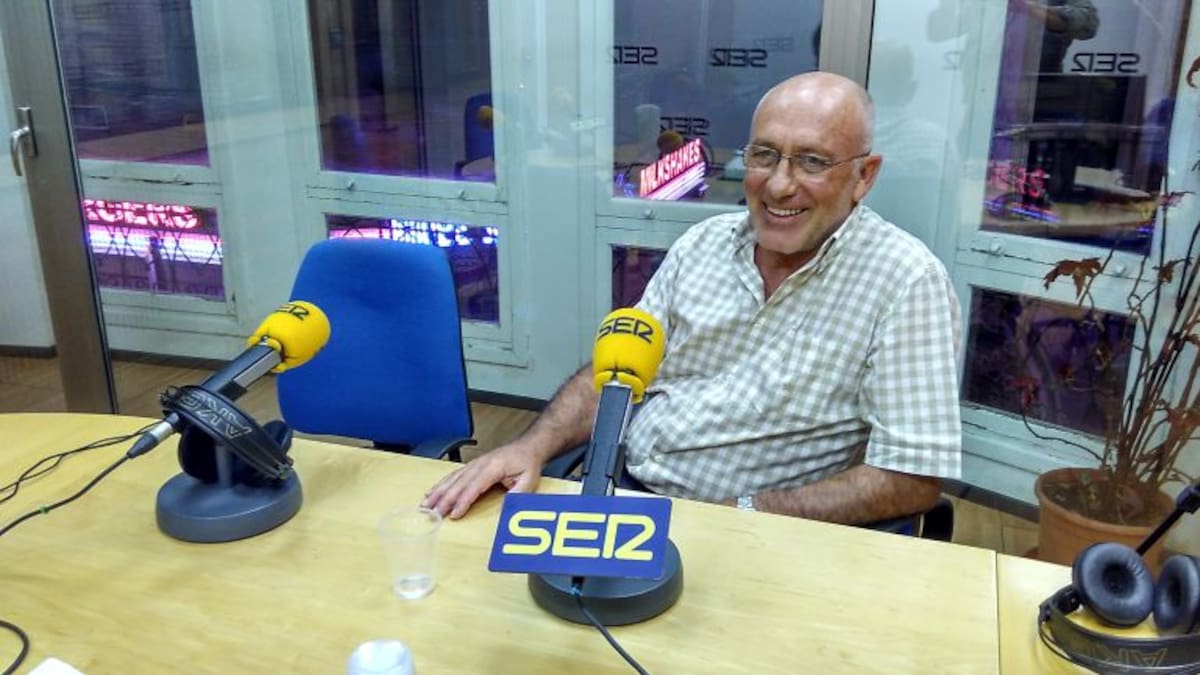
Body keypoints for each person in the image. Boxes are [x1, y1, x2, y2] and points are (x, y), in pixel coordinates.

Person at [424, 72, 962, 524]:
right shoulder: (703, 244)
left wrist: (743, 512)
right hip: (627, 495)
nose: (779, 185)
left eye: (813, 162)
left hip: (765, 532)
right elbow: (617, 376)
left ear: (864, 176)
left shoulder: (906, 282)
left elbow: (910, 476)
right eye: (765, 155)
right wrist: (531, 446)